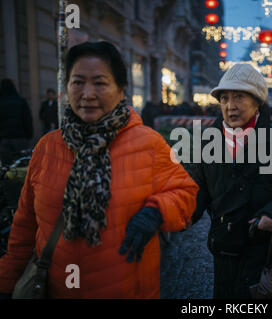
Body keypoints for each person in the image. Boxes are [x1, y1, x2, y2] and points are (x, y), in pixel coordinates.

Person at [0, 41, 198, 298]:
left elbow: (186, 192)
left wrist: (155, 212)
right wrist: (6, 283)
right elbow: (24, 226)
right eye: (78, 82)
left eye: (100, 83)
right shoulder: (47, 147)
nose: (88, 93)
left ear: (121, 89)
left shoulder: (149, 143)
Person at [189, 63, 272, 299]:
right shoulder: (208, 142)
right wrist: (183, 213)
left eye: (239, 97)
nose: (230, 106)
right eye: (224, 98)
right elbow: (200, 188)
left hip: (269, 254)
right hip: (226, 252)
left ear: (257, 102)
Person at [0, 79, 33, 163]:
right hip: (20, 138)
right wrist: (29, 135)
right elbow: (27, 120)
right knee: (22, 166)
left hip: (5, 139)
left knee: (7, 168)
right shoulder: (21, 101)